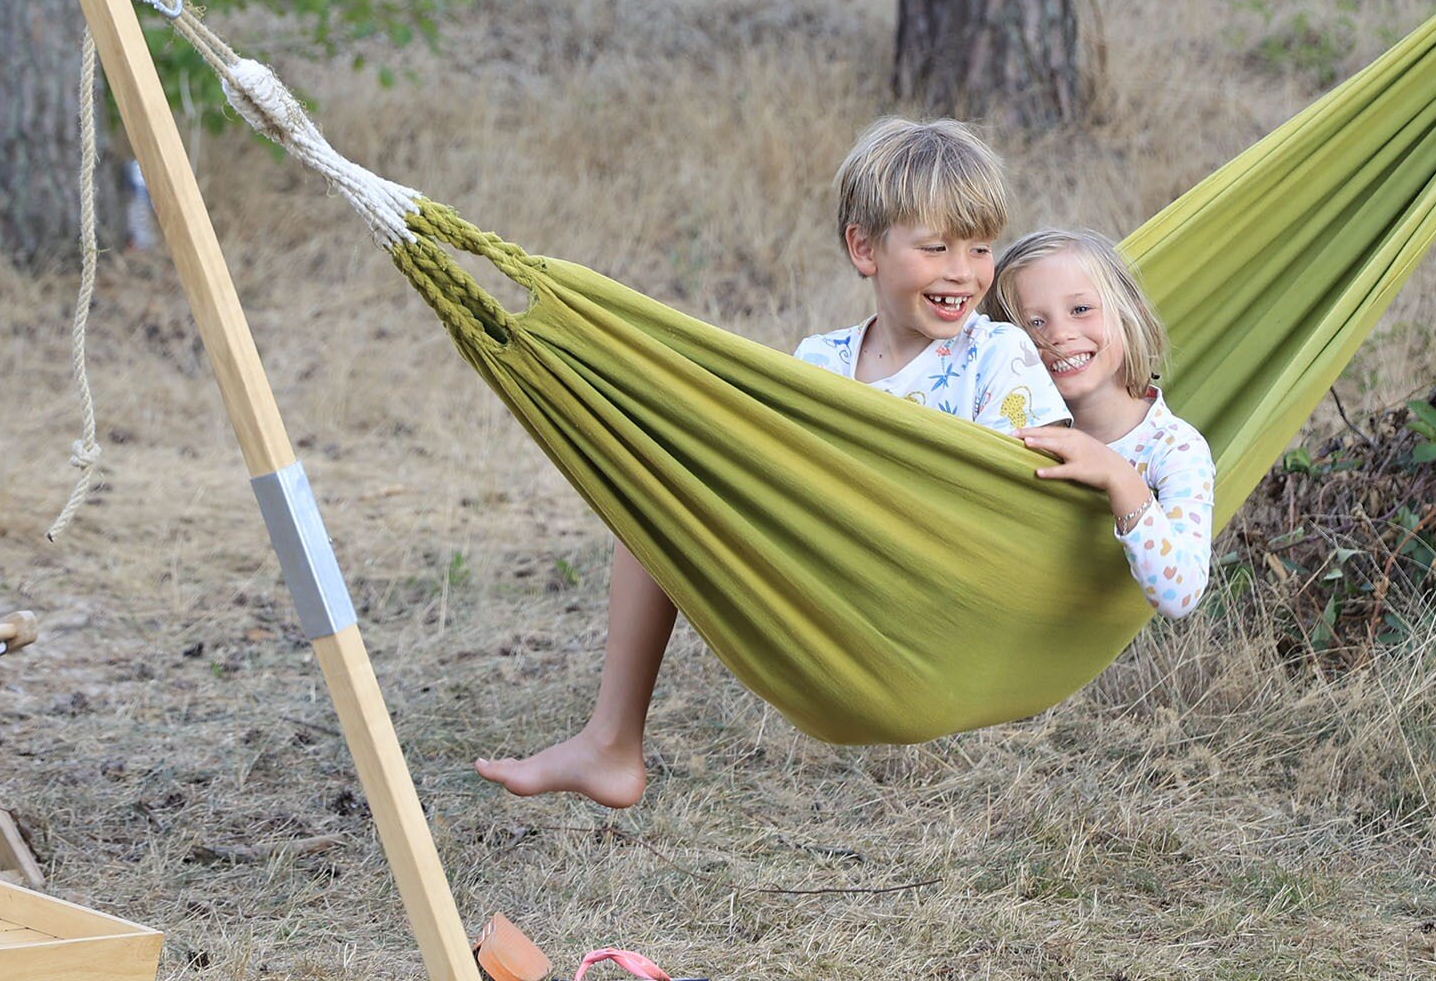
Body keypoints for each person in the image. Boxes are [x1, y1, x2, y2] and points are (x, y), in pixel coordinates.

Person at [475, 118, 1061, 808]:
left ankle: (609, 744)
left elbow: (1037, 493)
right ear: (863, 248)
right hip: (841, 610)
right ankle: (611, 740)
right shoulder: (821, 363)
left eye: (980, 248)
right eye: (935, 248)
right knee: (657, 489)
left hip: (946, 603)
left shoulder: (997, 356)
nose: (962, 272)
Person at [996, 227, 1216, 620]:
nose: (1059, 335)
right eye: (1034, 323)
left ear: (1128, 314)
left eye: (1080, 310)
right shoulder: (1013, 425)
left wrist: (1119, 478)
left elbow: (1180, 595)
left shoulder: (1174, 449)